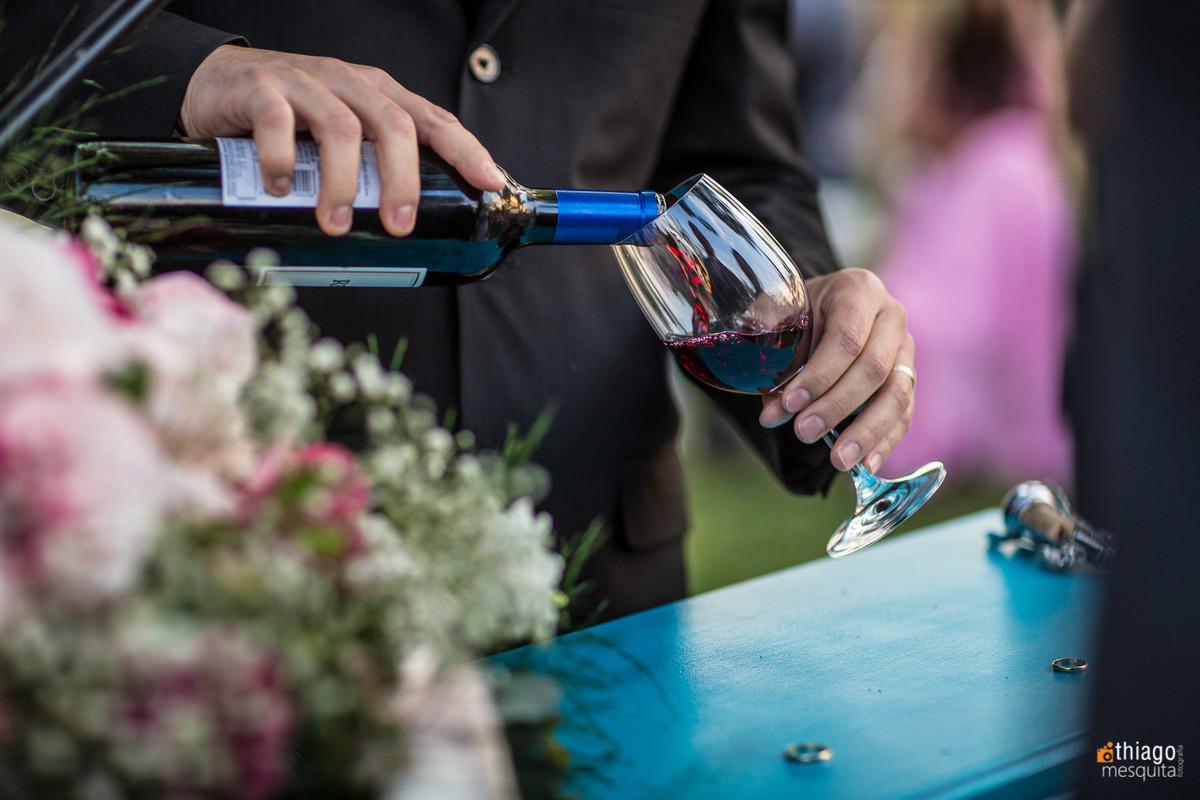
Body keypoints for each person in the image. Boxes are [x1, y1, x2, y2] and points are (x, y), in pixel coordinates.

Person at [3, 0, 920, 620]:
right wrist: (190, 70)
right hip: (229, 558)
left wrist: (808, 309)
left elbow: (735, 161)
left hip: (601, 565)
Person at [851, 0, 1077, 487]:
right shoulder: (941, 29)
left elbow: (1055, 119)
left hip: (1010, 193)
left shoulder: (1029, 34)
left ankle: (1007, 431)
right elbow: (911, 126)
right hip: (973, 186)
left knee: (1013, 163)